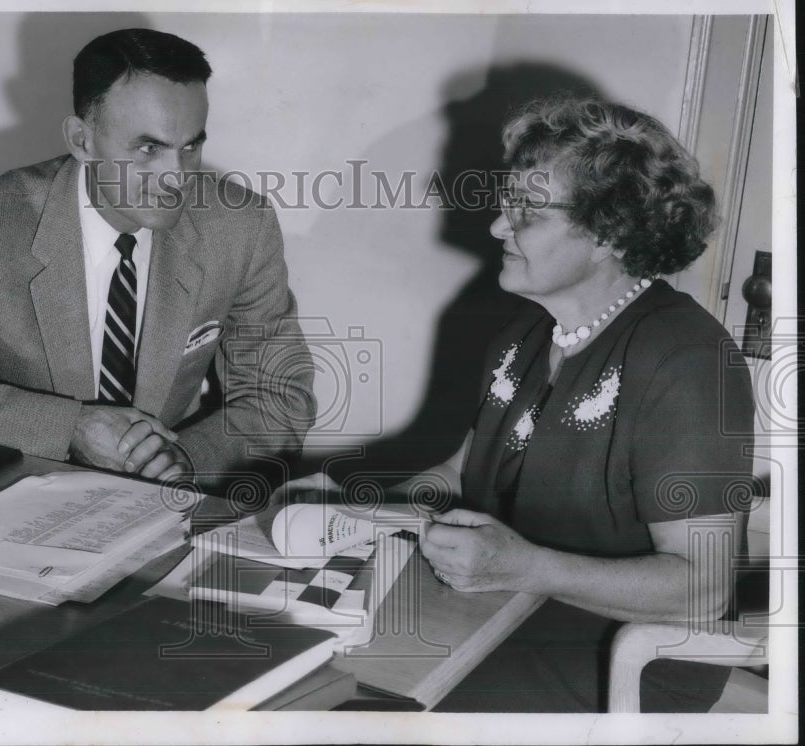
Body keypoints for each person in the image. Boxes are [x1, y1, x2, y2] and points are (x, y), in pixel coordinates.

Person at [290, 98, 756, 712]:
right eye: (505, 203)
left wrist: (526, 568)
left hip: (624, 658)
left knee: (355, 707)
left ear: (610, 231)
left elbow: (702, 587)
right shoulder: (527, 330)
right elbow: (460, 473)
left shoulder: (687, 360)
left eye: (527, 212)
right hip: (504, 610)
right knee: (308, 676)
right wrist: (354, 511)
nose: (496, 227)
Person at [0, 28, 316, 485]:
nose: (176, 177)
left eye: (191, 146)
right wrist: (71, 428)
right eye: (148, 149)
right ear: (81, 140)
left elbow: (281, 396)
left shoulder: (240, 227)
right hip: (26, 489)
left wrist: (185, 459)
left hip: (168, 498)